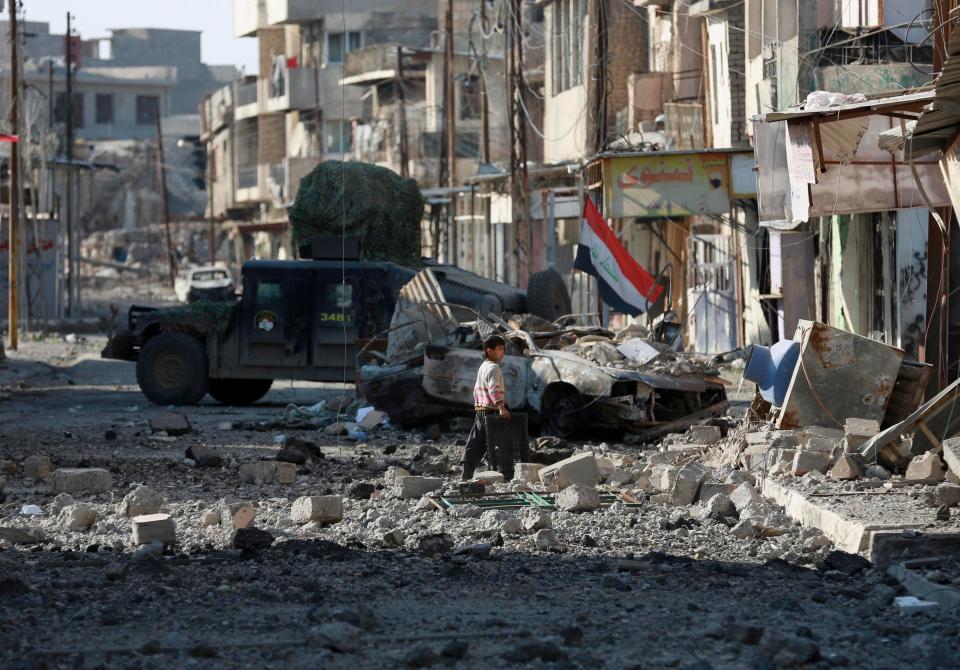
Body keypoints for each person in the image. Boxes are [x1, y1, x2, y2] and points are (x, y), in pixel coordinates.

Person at [460, 334, 510, 480]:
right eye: (500, 349)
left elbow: (477, 389)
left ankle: (467, 469)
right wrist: (501, 407)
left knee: (476, 441)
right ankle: (502, 472)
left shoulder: (483, 366)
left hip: (480, 409)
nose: (503, 352)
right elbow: (493, 388)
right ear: (490, 351)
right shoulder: (494, 368)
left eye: (503, 349)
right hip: (491, 411)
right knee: (498, 442)